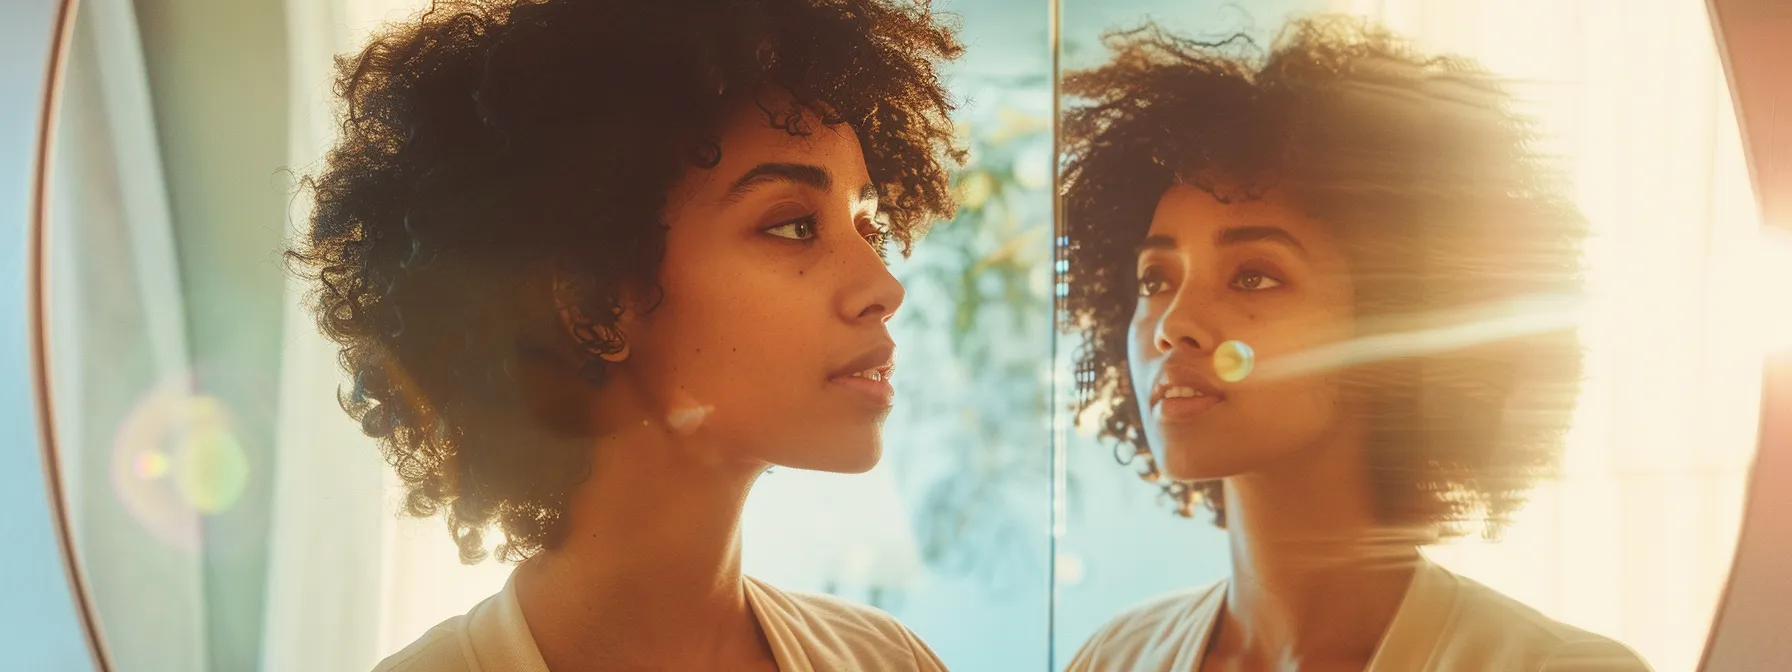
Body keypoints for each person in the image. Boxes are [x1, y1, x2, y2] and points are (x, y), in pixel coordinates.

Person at [286, 0, 964, 669]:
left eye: (868, 228)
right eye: (792, 226)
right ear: (594, 300)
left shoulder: (886, 659)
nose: (885, 287)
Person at [1059, 16, 1652, 672]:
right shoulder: (1114, 658)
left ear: (1394, 323)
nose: (1174, 322)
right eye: (1155, 278)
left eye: (1254, 276)